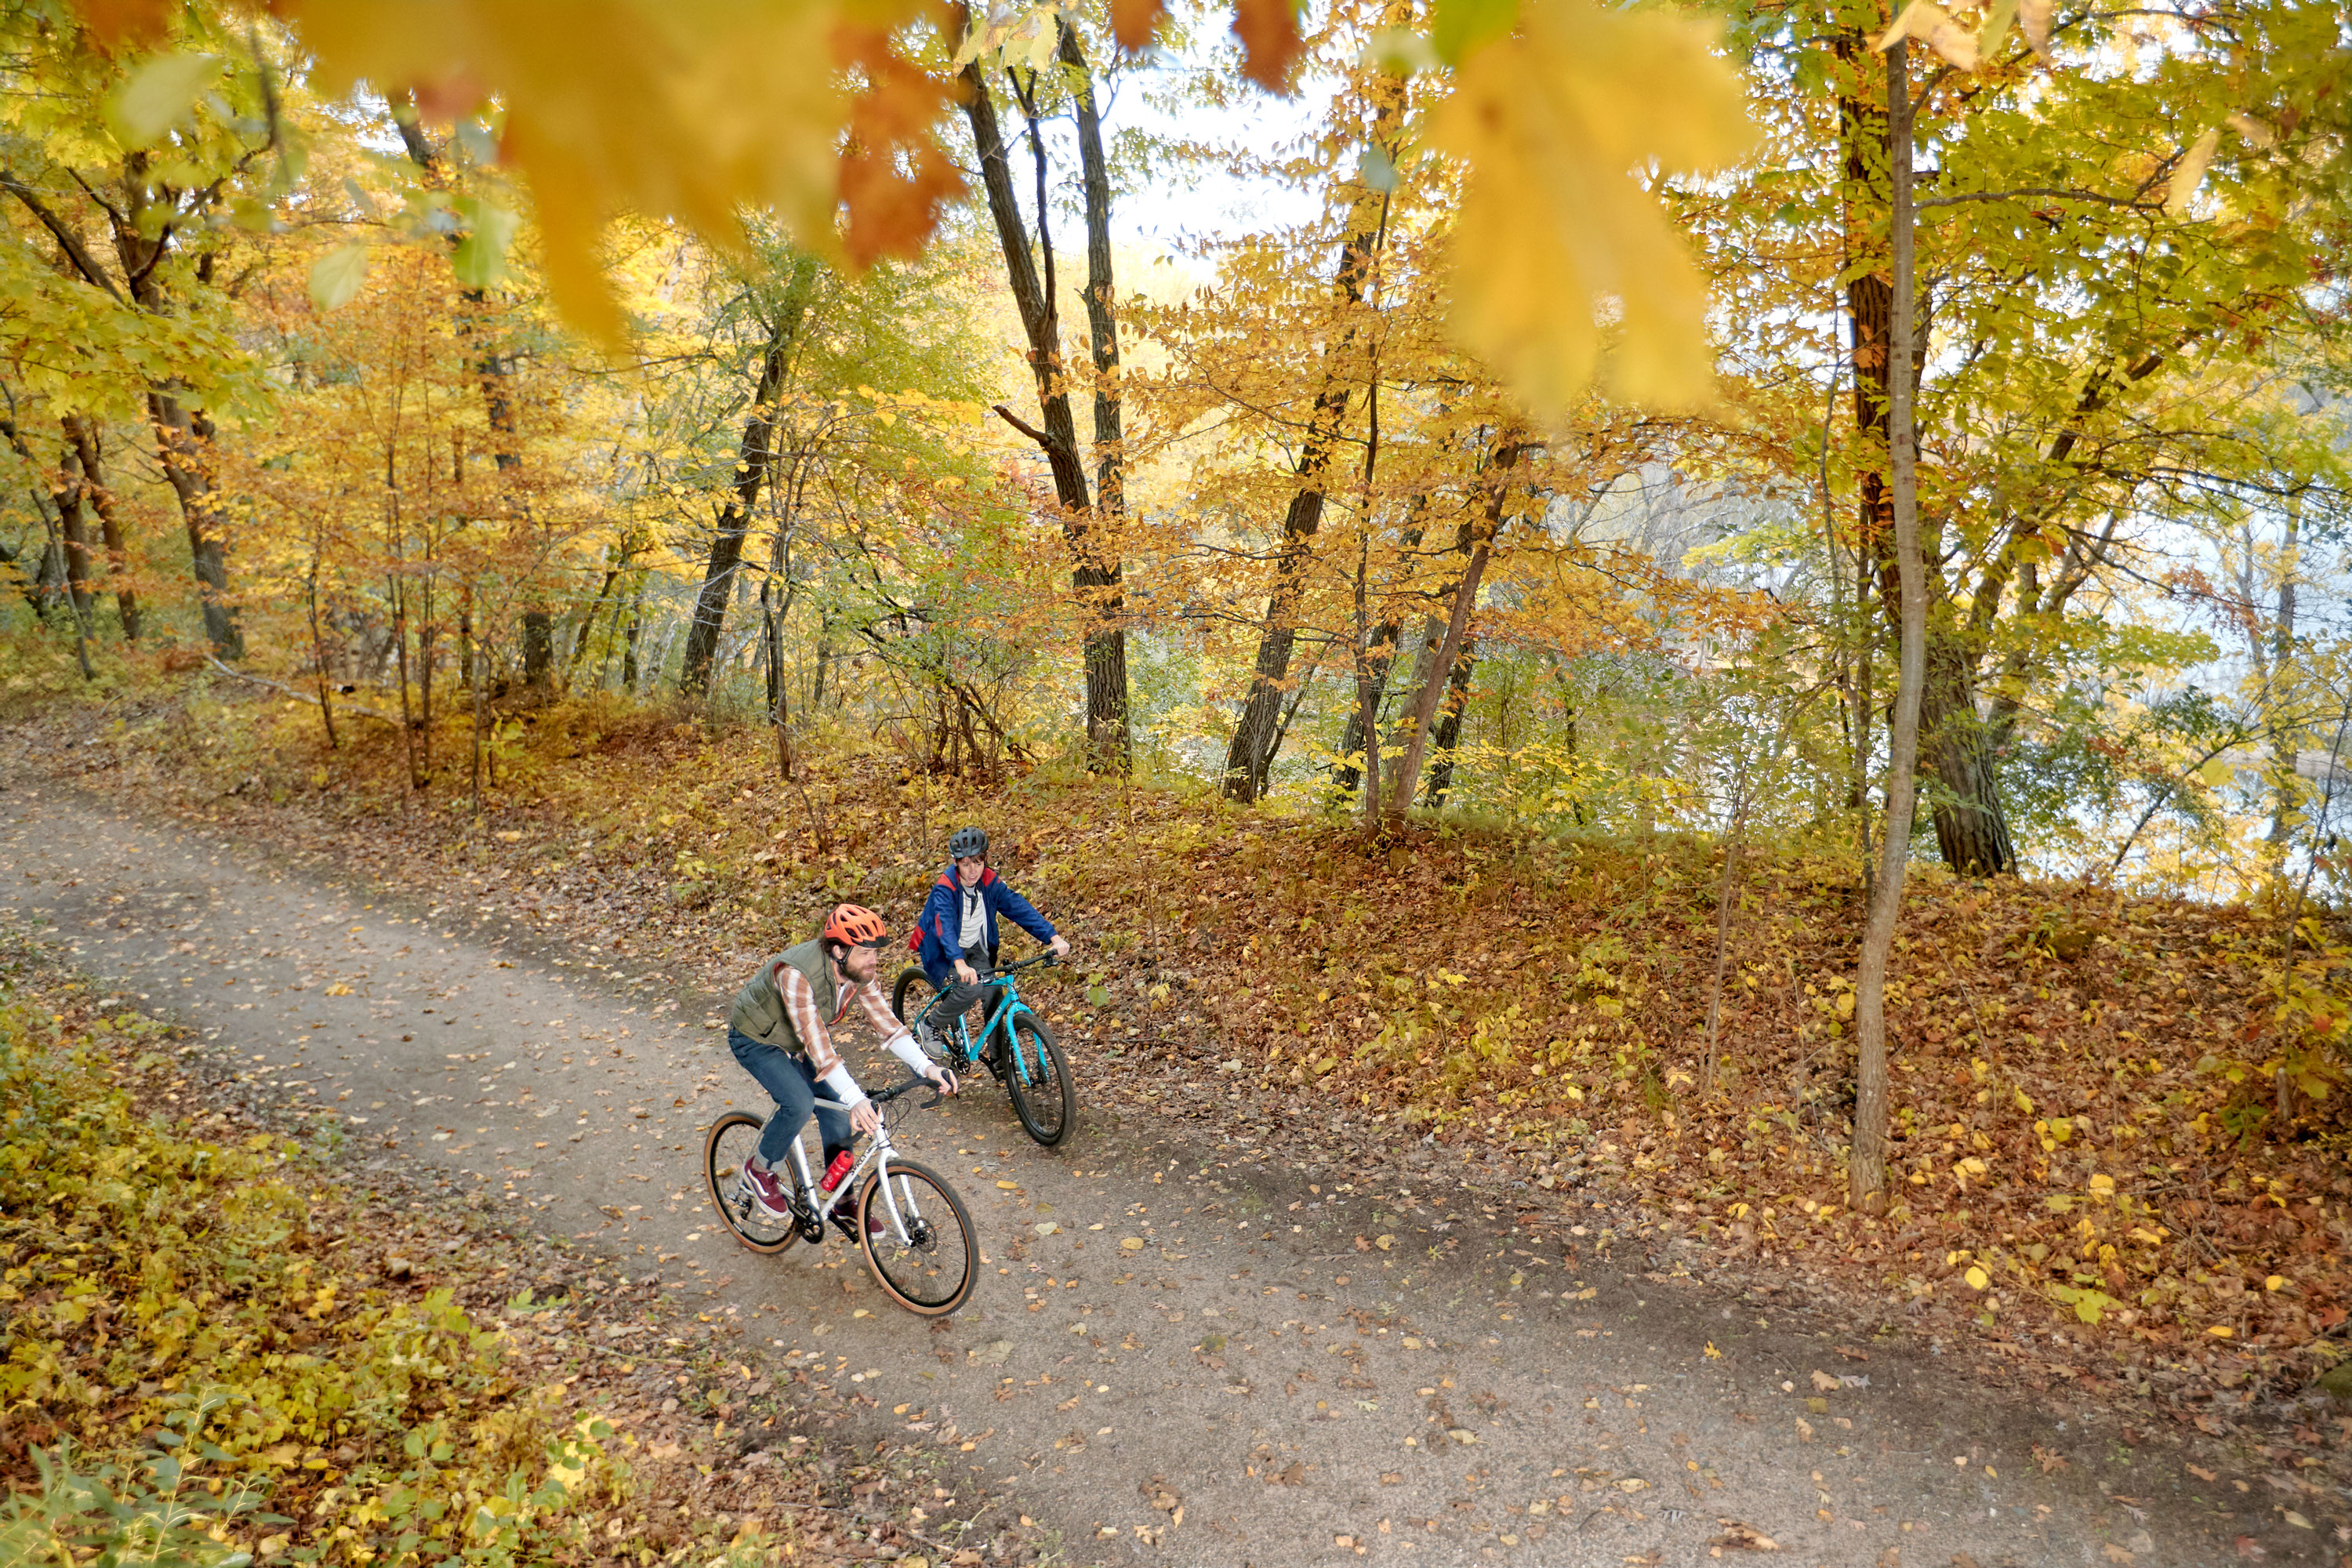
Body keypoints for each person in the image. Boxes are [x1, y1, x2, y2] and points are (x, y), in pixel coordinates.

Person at [729, 902, 956, 1229]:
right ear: (838, 951)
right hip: (756, 1037)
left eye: (875, 952)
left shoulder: (858, 973)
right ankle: (760, 1168)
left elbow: (889, 1027)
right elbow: (818, 1047)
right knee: (799, 1103)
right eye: (865, 952)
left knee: (835, 1109)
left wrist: (927, 1067)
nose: (873, 960)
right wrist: (855, 1098)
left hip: (796, 1037)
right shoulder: (796, 973)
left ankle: (841, 1199)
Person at [911, 826, 1070, 1059]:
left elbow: (1017, 907)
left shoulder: (989, 882)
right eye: (965, 864)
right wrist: (959, 963)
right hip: (944, 948)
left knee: (994, 990)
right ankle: (931, 1025)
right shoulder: (945, 888)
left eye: (977, 862)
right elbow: (944, 925)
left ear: (985, 859)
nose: (972, 870)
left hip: (974, 945)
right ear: (956, 863)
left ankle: (999, 1060)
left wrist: (1052, 936)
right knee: (971, 988)